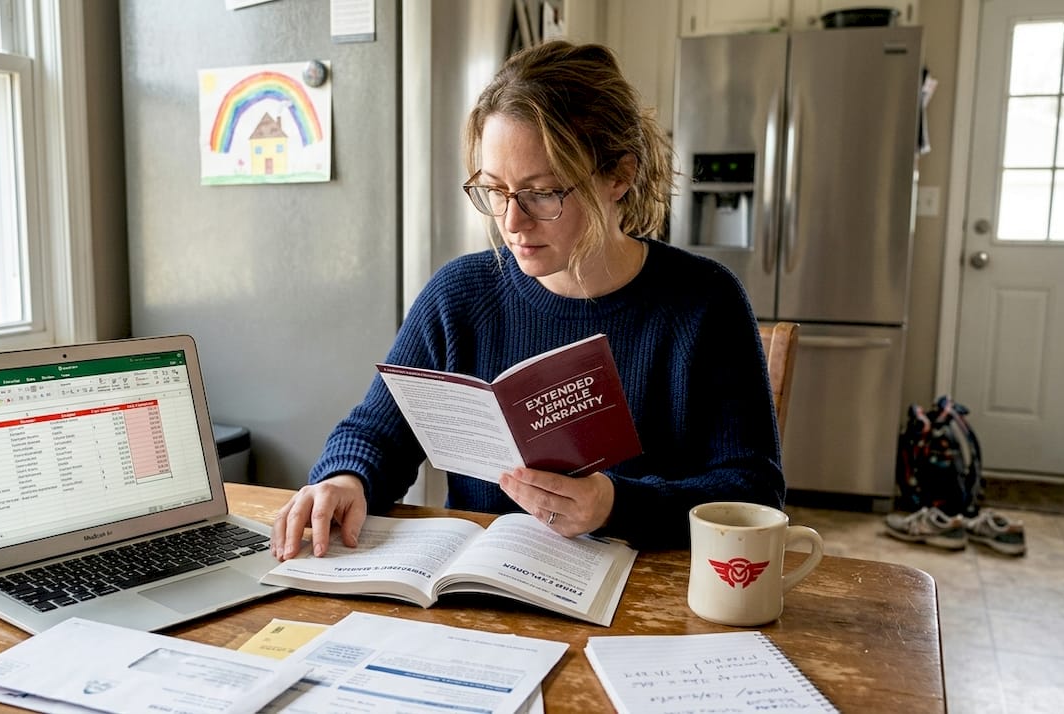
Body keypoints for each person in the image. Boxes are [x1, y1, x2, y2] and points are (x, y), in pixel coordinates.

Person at [272, 40, 784, 560]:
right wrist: (346, 479)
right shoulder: (459, 295)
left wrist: (615, 505)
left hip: (647, 593)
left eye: (542, 193)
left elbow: (755, 492)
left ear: (619, 176)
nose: (512, 222)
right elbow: (376, 433)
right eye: (496, 191)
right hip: (484, 583)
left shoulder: (705, 302)